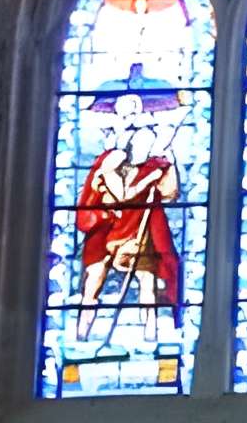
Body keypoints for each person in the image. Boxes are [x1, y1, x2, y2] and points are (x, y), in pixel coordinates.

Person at [74, 89, 183, 341]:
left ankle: (150, 335)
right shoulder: (111, 160)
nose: (130, 120)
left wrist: (169, 165)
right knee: (94, 278)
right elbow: (122, 195)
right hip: (107, 226)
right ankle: (81, 333)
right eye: (124, 114)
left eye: (134, 114)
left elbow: (170, 194)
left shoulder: (153, 164)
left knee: (147, 280)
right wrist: (149, 179)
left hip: (140, 228)